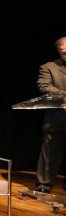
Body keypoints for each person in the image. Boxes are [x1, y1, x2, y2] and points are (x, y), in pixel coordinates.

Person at [35, 37, 66, 193]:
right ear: (58, 51)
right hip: (58, 119)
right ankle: (44, 184)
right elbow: (44, 86)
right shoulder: (49, 67)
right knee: (50, 154)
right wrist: (63, 95)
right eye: (64, 52)